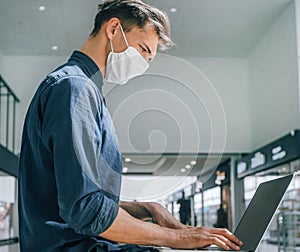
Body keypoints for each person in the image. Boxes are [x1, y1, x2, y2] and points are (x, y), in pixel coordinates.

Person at [18, 0, 243, 251]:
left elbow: (78, 196)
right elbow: (85, 211)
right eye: (142, 49)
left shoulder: (86, 91)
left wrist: (147, 208)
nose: (143, 65)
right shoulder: (74, 88)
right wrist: (177, 238)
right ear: (114, 29)